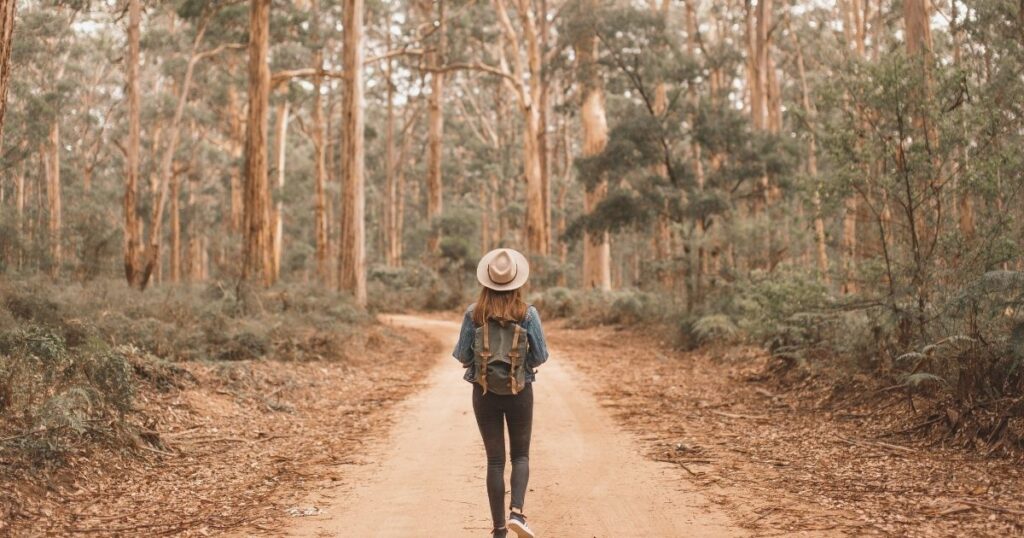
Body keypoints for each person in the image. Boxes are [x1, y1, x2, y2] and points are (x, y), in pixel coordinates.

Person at [453, 248, 549, 538]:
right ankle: (517, 513)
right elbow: (541, 355)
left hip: (484, 394)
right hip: (520, 392)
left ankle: (498, 531)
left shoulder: (474, 313)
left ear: (487, 281)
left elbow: (463, 356)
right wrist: (521, 368)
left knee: (495, 461)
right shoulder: (527, 313)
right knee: (520, 456)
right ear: (517, 281)